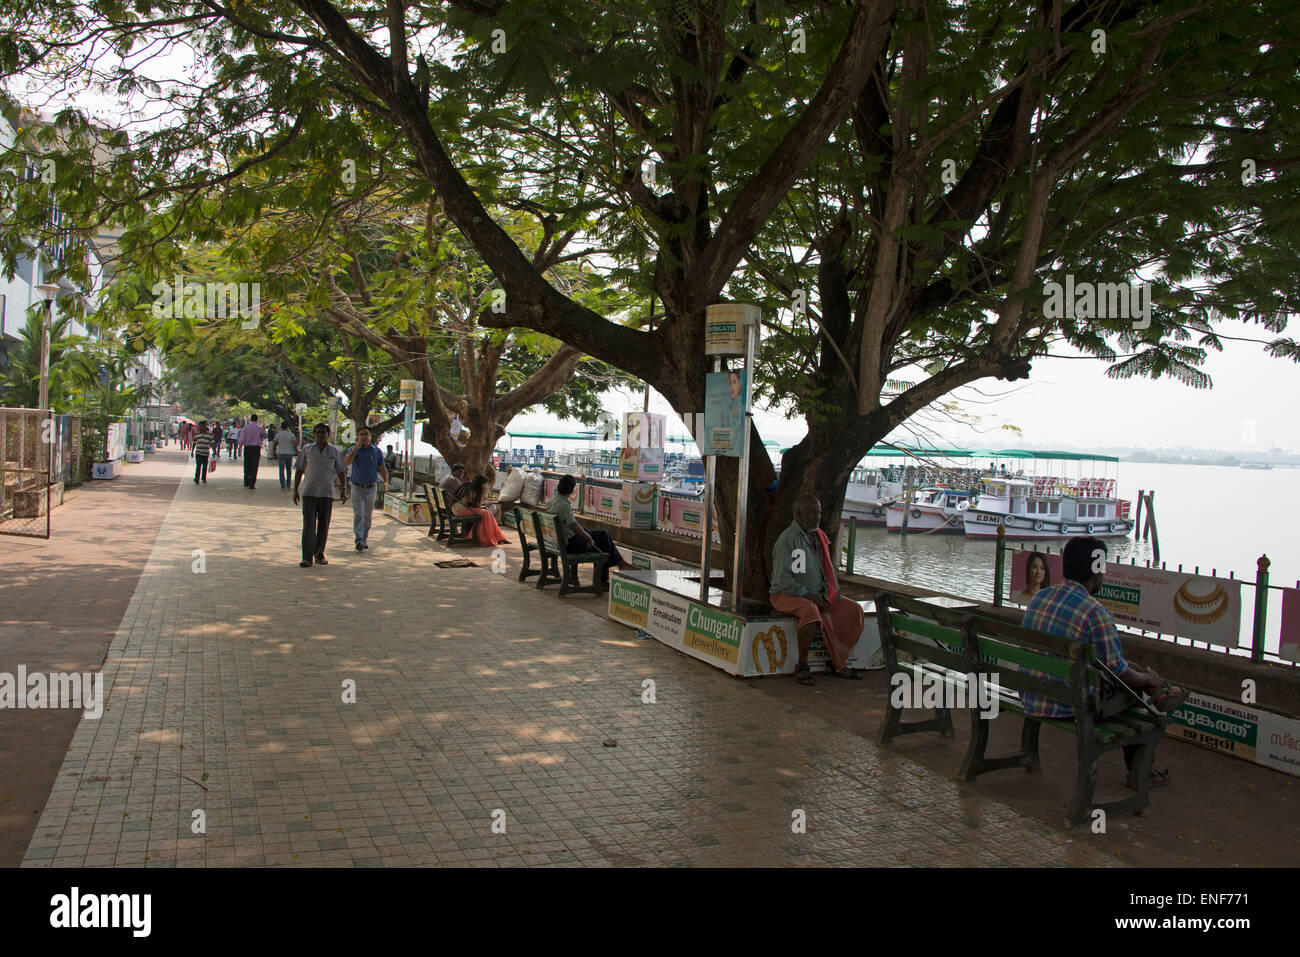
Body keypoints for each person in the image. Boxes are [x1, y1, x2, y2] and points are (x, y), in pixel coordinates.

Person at [1021, 536, 1187, 790]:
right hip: (1071, 704)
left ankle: (1160, 689)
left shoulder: (1039, 598)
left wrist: (1139, 673)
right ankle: (1141, 768)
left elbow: (1109, 663)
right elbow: (1120, 673)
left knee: (1134, 673)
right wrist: (1148, 679)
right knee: (1137, 690)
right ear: (1096, 572)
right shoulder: (1094, 613)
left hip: (1032, 693)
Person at [769, 493, 865, 685]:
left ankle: (836, 662)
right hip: (787, 594)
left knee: (854, 610)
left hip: (819, 595)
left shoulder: (818, 537)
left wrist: (826, 595)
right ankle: (802, 666)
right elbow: (783, 579)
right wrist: (809, 596)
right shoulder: (789, 539)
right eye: (812, 513)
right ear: (798, 515)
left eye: (818, 513)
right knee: (810, 611)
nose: (817, 517)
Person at [545, 474, 631, 587]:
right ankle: (607, 577)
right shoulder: (564, 505)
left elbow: (571, 525)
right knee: (602, 542)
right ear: (571, 490)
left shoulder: (552, 502)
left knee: (602, 536)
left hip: (557, 541)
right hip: (569, 545)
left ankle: (617, 566)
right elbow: (573, 526)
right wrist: (588, 537)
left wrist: (586, 534)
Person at [293, 423, 348, 567]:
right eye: (318, 432)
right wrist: (295, 490)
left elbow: (342, 470)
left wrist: (343, 488)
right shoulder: (307, 450)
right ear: (314, 434)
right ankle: (306, 557)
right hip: (309, 493)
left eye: (323, 432)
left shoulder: (335, 451)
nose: (321, 435)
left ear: (328, 434)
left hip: (326, 494)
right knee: (308, 526)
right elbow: (299, 469)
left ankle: (319, 554)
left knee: (323, 526)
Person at [344, 426, 388, 551]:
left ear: (370, 436)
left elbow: (382, 468)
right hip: (357, 487)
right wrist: (355, 449)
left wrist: (385, 481)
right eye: (361, 434)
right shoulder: (354, 449)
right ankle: (359, 540)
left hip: (371, 487)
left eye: (366, 434)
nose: (364, 436)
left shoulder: (376, 451)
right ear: (358, 437)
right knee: (359, 514)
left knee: (368, 515)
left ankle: (364, 538)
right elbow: (347, 462)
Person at [452, 474, 509, 547]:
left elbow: (473, 506)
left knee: (487, 513)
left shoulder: (468, 486)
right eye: (484, 484)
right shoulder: (474, 491)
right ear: (480, 483)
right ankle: (485, 537)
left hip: (457, 509)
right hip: (461, 510)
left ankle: (492, 535)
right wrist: (483, 494)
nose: (486, 485)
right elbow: (476, 506)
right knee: (486, 513)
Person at [239, 414, 267, 488]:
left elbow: (241, 439)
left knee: (247, 464)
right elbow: (265, 436)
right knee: (254, 465)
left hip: (247, 447)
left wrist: (239, 449)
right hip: (256, 448)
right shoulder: (259, 428)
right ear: (257, 420)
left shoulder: (245, 427)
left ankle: (246, 482)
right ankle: (252, 484)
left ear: (250, 419)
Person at [272, 421, 298, 490]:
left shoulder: (278, 435)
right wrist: (296, 452)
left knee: (281, 470)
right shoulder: (291, 435)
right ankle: (288, 485)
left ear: (281, 427)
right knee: (289, 469)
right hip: (289, 453)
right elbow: (294, 445)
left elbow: (275, 445)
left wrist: (274, 453)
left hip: (280, 453)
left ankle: (283, 486)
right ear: (287, 427)